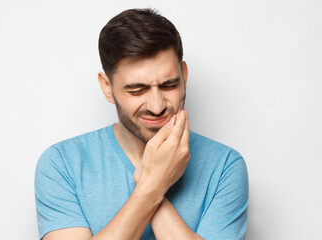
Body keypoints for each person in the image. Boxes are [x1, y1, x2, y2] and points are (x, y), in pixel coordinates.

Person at [35, 8, 248, 240]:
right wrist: (153, 185)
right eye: (137, 90)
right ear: (107, 87)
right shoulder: (62, 164)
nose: (157, 106)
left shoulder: (225, 166)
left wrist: (149, 183)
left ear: (184, 75)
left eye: (169, 85)